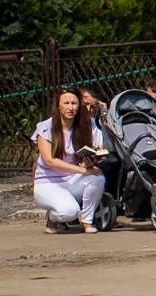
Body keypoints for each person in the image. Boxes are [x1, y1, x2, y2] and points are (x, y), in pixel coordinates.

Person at [32, 89, 106, 234]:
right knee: (70, 212)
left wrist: (92, 160)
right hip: (48, 183)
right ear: (58, 106)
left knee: (98, 177)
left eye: (74, 103)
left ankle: (87, 221)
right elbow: (50, 161)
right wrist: (81, 170)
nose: (70, 107)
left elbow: (101, 149)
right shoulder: (46, 127)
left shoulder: (88, 124)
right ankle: (52, 217)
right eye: (66, 103)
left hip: (73, 180)